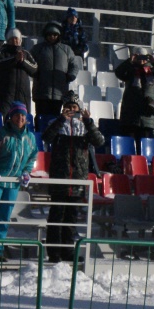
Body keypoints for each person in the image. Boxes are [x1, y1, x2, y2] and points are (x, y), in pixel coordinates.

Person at [42, 92, 104, 262]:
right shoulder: (55, 123)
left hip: (78, 179)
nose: (71, 110)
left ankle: (68, 251)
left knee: (71, 218)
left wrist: (89, 123)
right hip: (59, 179)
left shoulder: (85, 127)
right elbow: (46, 137)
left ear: (79, 109)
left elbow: (99, 142)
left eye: (74, 107)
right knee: (56, 217)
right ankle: (53, 253)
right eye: (68, 107)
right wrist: (61, 120)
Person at [0, 102, 37, 261]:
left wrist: (26, 172)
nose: (20, 118)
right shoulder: (1, 134)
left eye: (23, 116)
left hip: (14, 182)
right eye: (17, 115)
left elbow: (32, 157)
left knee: (4, 216)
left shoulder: (30, 137)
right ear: (10, 117)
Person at [115, 46, 154, 139]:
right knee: (129, 144)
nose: (141, 60)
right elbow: (118, 72)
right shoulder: (130, 71)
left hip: (147, 116)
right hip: (130, 116)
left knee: (144, 146)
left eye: (144, 57)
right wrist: (129, 61)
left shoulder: (153, 71)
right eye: (139, 57)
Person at [31, 20, 79, 117]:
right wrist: (35, 73)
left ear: (59, 35)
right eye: (49, 34)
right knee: (40, 120)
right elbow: (30, 63)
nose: (52, 37)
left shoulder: (66, 49)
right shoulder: (37, 49)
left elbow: (74, 65)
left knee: (56, 120)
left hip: (60, 94)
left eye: (55, 34)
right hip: (41, 93)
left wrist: (70, 76)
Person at [0, 27, 37, 116]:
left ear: (20, 40)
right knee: (3, 118)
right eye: (12, 39)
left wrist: (22, 61)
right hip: (4, 95)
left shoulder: (26, 53)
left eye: (17, 39)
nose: (15, 41)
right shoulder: (2, 51)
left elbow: (34, 68)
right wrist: (14, 59)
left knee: (22, 120)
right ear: (8, 40)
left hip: (22, 95)